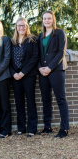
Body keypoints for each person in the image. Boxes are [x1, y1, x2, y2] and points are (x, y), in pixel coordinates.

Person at [38, 10, 69, 138]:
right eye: (45, 19)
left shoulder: (59, 33)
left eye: (49, 18)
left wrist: (49, 68)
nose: (47, 21)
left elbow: (61, 53)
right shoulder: (41, 35)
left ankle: (64, 129)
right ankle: (47, 127)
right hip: (43, 72)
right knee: (46, 100)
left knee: (60, 99)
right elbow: (39, 54)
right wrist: (40, 67)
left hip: (56, 70)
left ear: (53, 20)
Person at [10, 17, 38, 138]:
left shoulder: (32, 40)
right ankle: (21, 128)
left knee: (30, 101)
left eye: (23, 25)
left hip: (28, 75)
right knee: (19, 102)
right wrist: (13, 73)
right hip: (15, 77)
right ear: (16, 27)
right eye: (19, 26)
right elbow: (8, 60)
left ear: (27, 27)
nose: (21, 28)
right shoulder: (12, 41)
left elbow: (34, 58)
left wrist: (23, 72)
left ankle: (32, 128)